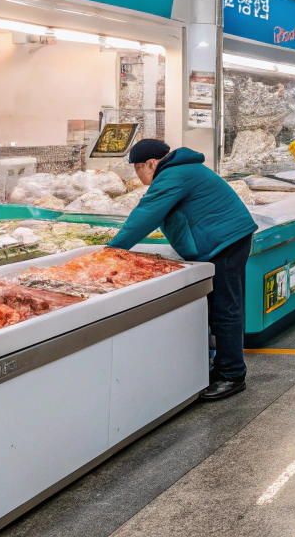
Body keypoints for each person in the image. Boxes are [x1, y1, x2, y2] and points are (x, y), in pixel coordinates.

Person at [109, 139, 258, 401]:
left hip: (224, 243)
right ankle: (223, 367)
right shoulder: (183, 169)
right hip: (227, 239)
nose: (137, 176)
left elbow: (145, 216)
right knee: (223, 308)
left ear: (151, 164)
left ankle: (232, 375)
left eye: (137, 169)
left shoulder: (172, 175)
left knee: (225, 310)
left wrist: (110, 252)